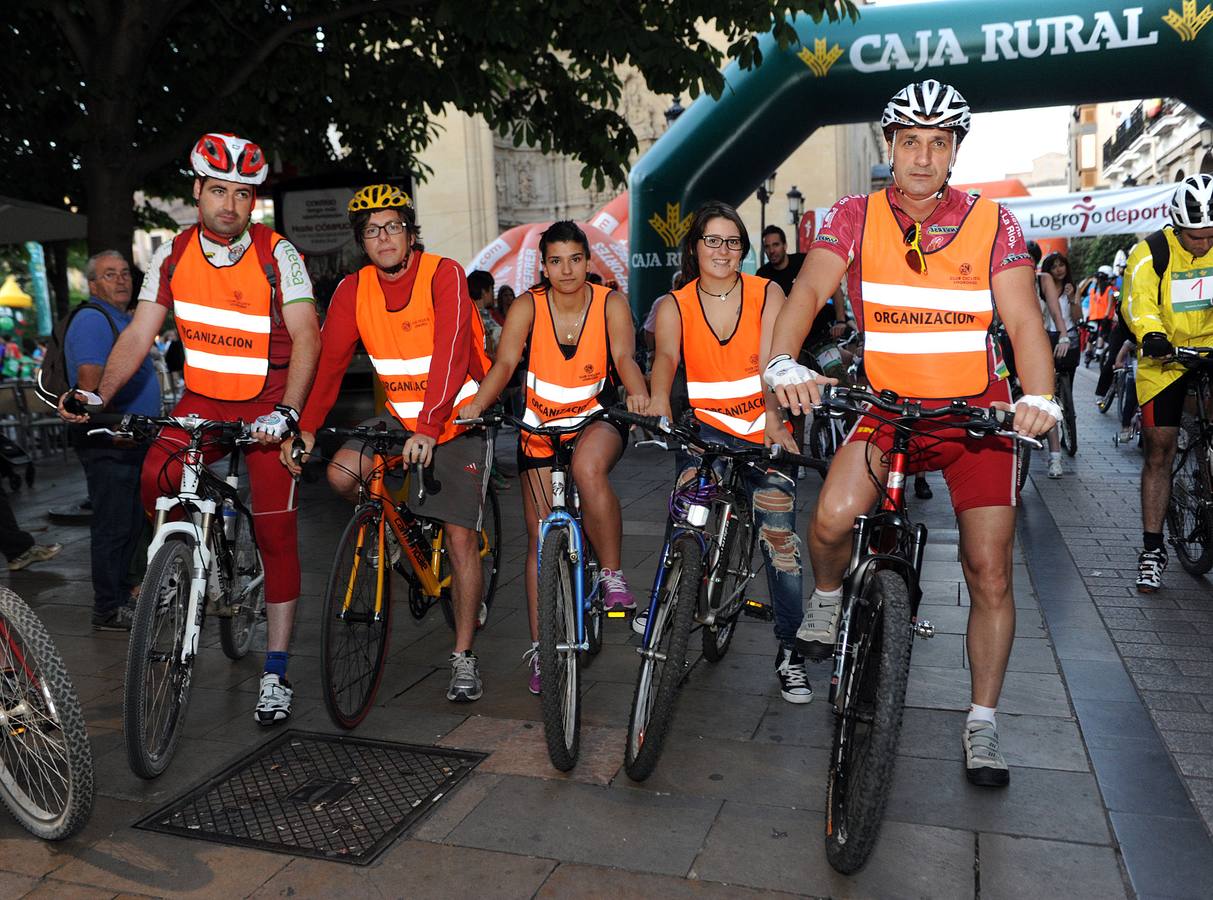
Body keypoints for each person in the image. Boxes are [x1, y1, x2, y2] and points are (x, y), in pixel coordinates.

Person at [764, 80, 1058, 785]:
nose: (922, 157)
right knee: (830, 522)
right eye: (909, 142)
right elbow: (805, 291)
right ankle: (830, 600)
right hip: (888, 409)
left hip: (974, 420)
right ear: (889, 147)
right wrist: (781, 360)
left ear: (954, 150)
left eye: (937, 143)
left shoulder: (995, 222)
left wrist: (1040, 395)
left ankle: (982, 725)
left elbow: (1021, 319)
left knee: (988, 571)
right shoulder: (850, 216)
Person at [61, 132, 321, 725]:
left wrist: (288, 415)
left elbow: (307, 335)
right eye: (219, 191)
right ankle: (178, 562)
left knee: (278, 533)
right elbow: (136, 334)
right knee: (155, 475)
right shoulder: (172, 254)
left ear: (252, 202)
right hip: (203, 396)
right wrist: (97, 393)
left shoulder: (278, 253)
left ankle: (276, 669)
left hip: (268, 399)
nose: (230, 204)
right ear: (198, 192)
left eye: (242, 194)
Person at [284, 184, 492, 703]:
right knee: (340, 473)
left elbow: (449, 353)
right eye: (373, 230)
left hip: (456, 419)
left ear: (410, 233)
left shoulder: (443, 274)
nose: (385, 237)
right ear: (362, 241)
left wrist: (430, 424)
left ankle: (464, 656)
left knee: (461, 539)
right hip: (401, 417)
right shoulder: (354, 290)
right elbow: (330, 365)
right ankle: (398, 532)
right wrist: (307, 427)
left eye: (393, 226)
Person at [461, 221, 648, 694]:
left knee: (588, 469)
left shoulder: (610, 302)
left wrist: (641, 394)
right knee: (540, 537)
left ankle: (611, 573)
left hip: (596, 419)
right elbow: (505, 364)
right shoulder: (527, 306)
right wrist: (478, 404)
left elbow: (625, 357)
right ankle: (544, 650)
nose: (567, 269)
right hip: (540, 428)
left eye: (576, 259)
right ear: (543, 266)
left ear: (588, 261)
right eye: (556, 260)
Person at [646, 201, 813, 705]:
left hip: (763, 428)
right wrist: (657, 403)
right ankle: (667, 624)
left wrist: (774, 423)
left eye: (733, 241)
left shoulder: (768, 292)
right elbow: (667, 358)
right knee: (684, 521)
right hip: (704, 432)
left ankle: (790, 651)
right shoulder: (675, 304)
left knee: (780, 542)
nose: (723, 250)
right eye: (712, 241)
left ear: (744, 247)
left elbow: (770, 362)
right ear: (695, 248)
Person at [1124, 174, 1213, 593]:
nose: (1204, 244)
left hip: (1210, 350)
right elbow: (1138, 299)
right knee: (1159, 448)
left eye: (1211, 235)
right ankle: (1152, 550)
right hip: (1166, 358)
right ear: (1178, 227)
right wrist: (1151, 334)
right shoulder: (1153, 251)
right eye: (1196, 238)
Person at [66, 250, 160, 630]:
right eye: (109, 274)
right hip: (111, 439)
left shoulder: (123, 318)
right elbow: (90, 381)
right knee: (113, 525)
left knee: (131, 522)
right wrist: (113, 425)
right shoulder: (93, 319)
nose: (121, 280)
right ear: (92, 285)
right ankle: (108, 606)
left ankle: (124, 595)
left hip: (128, 438)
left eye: (124, 273)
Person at [1038, 251, 1080, 478]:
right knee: (1049, 389)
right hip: (1049, 336)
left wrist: (1073, 298)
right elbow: (1052, 314)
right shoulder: (1044, 283)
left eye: (1061, 265)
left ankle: (1068, 418)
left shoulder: (1071, 287)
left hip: (1070, 337)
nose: (1058, 270)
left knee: (1067, 387)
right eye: (1054, 266)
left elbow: (1077, 316)